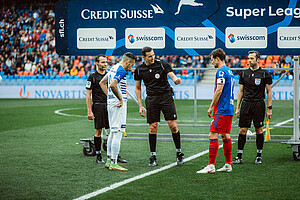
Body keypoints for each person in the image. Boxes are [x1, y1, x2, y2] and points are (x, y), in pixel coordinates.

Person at [134, 46, 184, 167]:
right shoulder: (139, 69)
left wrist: (176, 79)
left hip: (166, 97)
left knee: (173, 126)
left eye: (153, 55)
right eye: (150, 56)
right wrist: (140, 105)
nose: (152, 57)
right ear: (144, 57)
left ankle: (179, 153)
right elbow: (138, 87)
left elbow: (171, 74)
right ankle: (153, 156)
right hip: (151, 99)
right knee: (152, 128)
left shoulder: (162, 64)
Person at [197, 48, 234, 174]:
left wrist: (211, 106)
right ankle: (228, 164)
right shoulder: (229, 71)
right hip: (229, 108)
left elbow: (219, 90)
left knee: (212, 134)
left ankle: (211, 165)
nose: (212, 62)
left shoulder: (221, 72)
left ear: (217, 59)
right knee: (225, 135)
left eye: (212, 60)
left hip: (222, 109)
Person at [232, 50, 272, 165]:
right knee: (242, 130)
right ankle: (239, 156)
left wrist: (269, 108)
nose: (249, 60)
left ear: (257, 59)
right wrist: (238, 107)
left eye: (252, 58)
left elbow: (269, 92)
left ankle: (259, 156)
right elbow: (241, 91)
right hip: (246, 104)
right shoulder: (244, 73)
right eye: (248, 58)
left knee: (259, 130)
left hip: (259, 104)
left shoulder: (265, 74)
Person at [86, 54, 127, 164]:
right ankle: (99, 155)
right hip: (98, 106)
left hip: (110, 105)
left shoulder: (110, 75)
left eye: (106, 62)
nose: (105, 64)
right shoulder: (92, 77)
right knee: (98, 130)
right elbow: (88, 95)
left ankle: (115, 155)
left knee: (113, 130)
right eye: (103, 62)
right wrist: (89, 111)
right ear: (97, 63)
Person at [100, 52, 136, 171]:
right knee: (118, 132)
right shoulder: (121, 70)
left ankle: (109, 161)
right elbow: (112, 84)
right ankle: (114, 163)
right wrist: (120, 98)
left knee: (113, 132)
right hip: (118, 104)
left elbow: (102, 82)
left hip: (111, 102)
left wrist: (110, 96)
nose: (130, 68)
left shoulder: (113, 68)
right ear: (128, 62)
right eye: (131, 65)